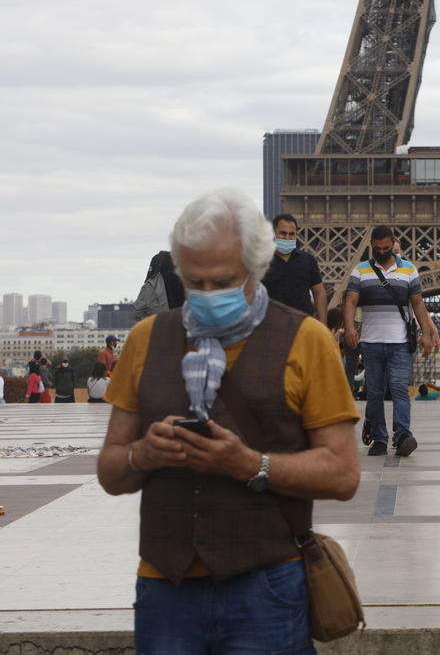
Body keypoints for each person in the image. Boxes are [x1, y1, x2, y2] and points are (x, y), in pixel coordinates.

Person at [96, 188, 360, 653]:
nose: (206, 295)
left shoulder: (307, 340)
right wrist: (143, 454)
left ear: (255, 270)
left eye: (222, 282)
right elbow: (111, 471)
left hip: (266, 584)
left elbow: (342, 475)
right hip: (164, 586)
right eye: (194, 282)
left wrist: (250, 464)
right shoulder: (146, 339)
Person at [343, 225, 438, 457]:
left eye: (386, 248)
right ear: (372, 246)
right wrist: (349, 328)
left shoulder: (409, 270)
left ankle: (403, 434)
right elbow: (350, 301)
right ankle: (379, 438)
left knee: (398, 389)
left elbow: (418, 304)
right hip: (372, 342)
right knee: (374, 392)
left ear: (393, 244)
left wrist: (425, 334)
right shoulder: (361, 270)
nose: (382, 251)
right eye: (378, 248)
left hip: (400, 342)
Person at [262, 212, 328, 322]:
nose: (287, 238)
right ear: (273, 233)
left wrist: (323, 325)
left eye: (292, 234)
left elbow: (319, 292)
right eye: (283, 233)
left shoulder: (308, 260)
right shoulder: (262, 261)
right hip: (271, 324)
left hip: (302, 324)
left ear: (296, 234)